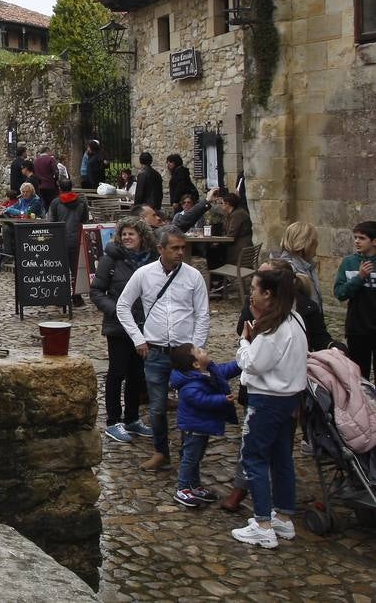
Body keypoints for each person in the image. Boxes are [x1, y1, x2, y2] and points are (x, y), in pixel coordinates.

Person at [116, 226, 210, 471]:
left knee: (191, 404)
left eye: (183, 248)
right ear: (161, 249)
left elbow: (202, 314)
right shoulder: (144, 274)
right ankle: (161, 451)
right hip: (155, 351)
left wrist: (196, 348)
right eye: (175, 248)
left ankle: (190, 454)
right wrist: (138, 338)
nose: (180, 252)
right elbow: (123, 306)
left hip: (184, 352)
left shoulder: (193, 276)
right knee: (157, 408)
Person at [230, 269, 307, 548]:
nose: (251, 294)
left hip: (267, 400)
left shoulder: (272, 329)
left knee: (254, 457)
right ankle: (283, 517)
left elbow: (253, 363)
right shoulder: (295, 319)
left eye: (254, 289)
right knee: (281, 457)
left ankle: (263, 523)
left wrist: (244, 341)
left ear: (268, 294)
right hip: (289, 398)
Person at [91, 217, 156, 443]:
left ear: (142, 237)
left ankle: (132, 418)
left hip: (142, 326)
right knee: (117, 373)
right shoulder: (111, 259)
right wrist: (117, 311)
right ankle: (113, 420)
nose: (127, 238)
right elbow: (97, 291)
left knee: (137, 374)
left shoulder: (151, 260)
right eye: (124, 234)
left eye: (132, 234)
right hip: (118, 327)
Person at [168, 343, 240, 509]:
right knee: (190, 458)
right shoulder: (190, 385)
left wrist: (242, 362)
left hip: (201, 426)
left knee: (196, 458)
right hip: (194, 427)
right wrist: (223, 400)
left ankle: (194, 485)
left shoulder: (208, 372)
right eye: (199, 351)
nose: (204, 350)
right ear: (195, 364)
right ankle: (182, 487)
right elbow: (201, 401)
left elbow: (227, 370)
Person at [335, 220, 376, 379]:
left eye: (362, 238)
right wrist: (359, 278)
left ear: (374, 241)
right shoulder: (349, 263)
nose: (357, 241)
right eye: (356, 237)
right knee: (359, 377)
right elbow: (339, 293)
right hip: (357, 329)